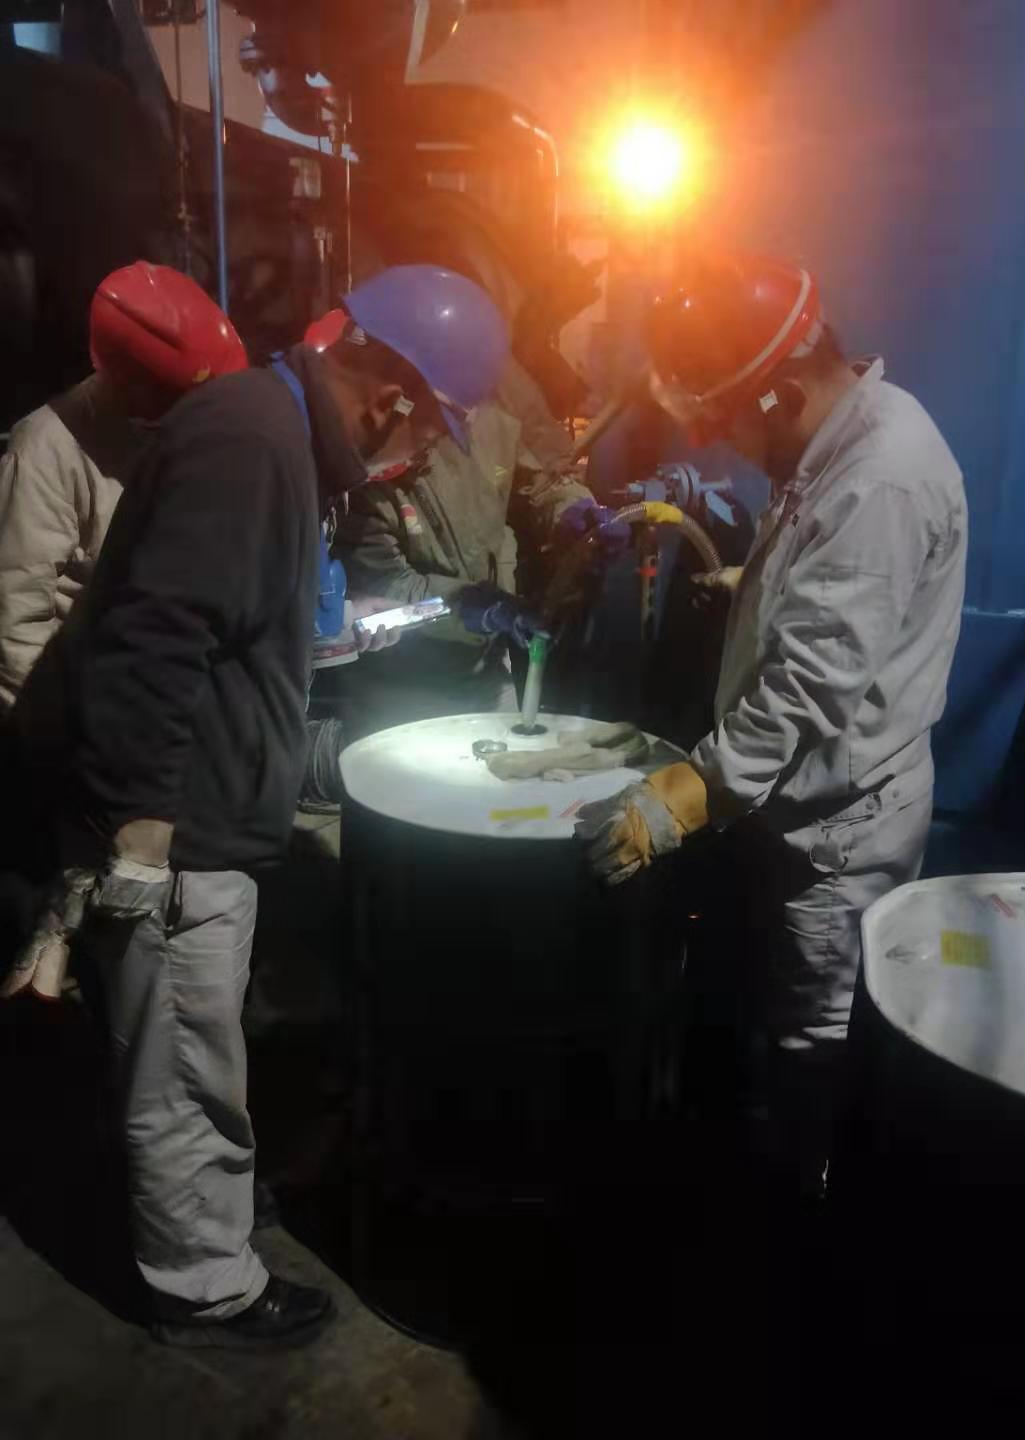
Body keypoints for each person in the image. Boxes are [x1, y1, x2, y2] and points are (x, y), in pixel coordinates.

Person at [38, 265, 509, 1348]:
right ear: (390, 396)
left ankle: (206, 1213)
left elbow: (263, 635)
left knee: (196, 1050)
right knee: (181, 1066)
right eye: (431, 431)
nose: (423, 455)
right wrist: (142, 841)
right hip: (182, 832)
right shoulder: (253, 441)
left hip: (208, 809)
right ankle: (204, 1289)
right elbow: (155, 639)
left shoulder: (273, 434)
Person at [575, 255, 968, 1194]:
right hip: (793, 804)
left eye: (730, 423)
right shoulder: (838, 440)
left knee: (812, 1042)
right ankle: (757, 1182)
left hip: (838, 832)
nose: (729, 446)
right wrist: (746, 594)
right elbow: (828, 603)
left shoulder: (880, 478)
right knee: (766, 1019)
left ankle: (801, 1221)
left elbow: (809, 684)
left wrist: (687, 794)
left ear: (780, 391)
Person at [308, 306, 623, 732]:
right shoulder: (350, 472)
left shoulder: (482, 412)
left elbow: (540, 478)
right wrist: (477, 607)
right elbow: (387, 587)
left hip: (487, 669)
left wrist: (571, 510)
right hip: (397, 686)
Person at [0, 261, 247, 716]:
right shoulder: (45, 453)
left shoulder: (185, 430)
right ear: (138, 388)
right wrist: (68, 727)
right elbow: (15, 626)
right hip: (88, 705)